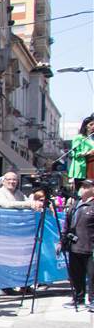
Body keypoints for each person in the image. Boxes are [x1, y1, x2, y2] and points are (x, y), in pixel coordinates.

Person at [60, 179, 94, 310]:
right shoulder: (75, 204)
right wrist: (62, 241)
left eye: (86, 186)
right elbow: (67, 224)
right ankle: (78, 298)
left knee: (92, 276)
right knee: (76, 275)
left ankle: (92, 300)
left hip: (90, 247)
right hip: (74, 246)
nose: (82, 188)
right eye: (82, 186)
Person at [67, 116, 94, 185]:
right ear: (85, 126)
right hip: (82, 167)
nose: (93, 126)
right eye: (91, 124)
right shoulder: (79, 138)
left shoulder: (92, 138)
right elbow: (75, 154)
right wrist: (88, 153)